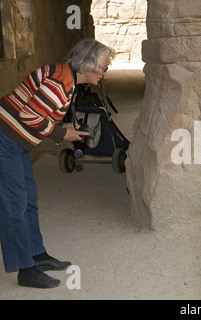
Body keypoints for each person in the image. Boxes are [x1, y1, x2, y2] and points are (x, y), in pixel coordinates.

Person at [0, 39, 116, 289]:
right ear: (89, 65)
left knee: (28, 199)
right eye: (104, 68)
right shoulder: (61, 83)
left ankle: (36, 254)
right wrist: (63, 134)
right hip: (6, 139)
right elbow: (29, 116)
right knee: (14, 205)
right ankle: (24, 269)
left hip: (15, 140)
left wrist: (63, 126)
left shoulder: (67, 77)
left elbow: (39, 113)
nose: (105, 73)